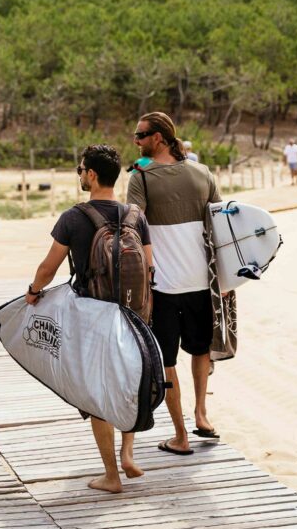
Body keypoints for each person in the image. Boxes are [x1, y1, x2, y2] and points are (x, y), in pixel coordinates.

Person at [26, 144, 151, 493]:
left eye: (81, 169)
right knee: (129, 382)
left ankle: (111, 475)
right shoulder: (134, 215)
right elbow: (150, 263)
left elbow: (49, 268)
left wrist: (33, 290)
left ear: (92, 175)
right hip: (133, 314)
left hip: (92, 316)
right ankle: (128, 453)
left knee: (97, 393)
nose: (80, 175)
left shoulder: (73, 217)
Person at [127, 112, 235, 457]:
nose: (136, 142)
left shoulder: (140, 176)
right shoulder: (203, 173)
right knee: (201, 350)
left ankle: (180, 436)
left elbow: (134, 228)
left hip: (163, 285)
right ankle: (201, 415)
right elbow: (223, 228)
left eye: (141, 135)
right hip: (203, 283)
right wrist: (228, 279)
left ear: (158, 138)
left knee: (167, 359)